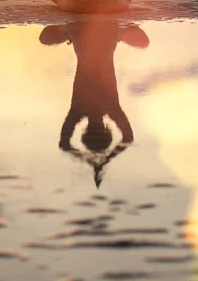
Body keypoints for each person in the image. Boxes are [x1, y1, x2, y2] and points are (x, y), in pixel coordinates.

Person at [39, 21, 150, 187]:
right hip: (87, 31)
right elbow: (64, 145)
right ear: (84, 132)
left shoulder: (110, 108)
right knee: (139, 41)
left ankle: (80, 31)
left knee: (49, 38)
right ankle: (79, 31)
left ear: (108, 129)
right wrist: (92, 161)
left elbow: (128, 138)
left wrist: (105, 160)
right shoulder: (79, 111)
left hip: (99, 31)